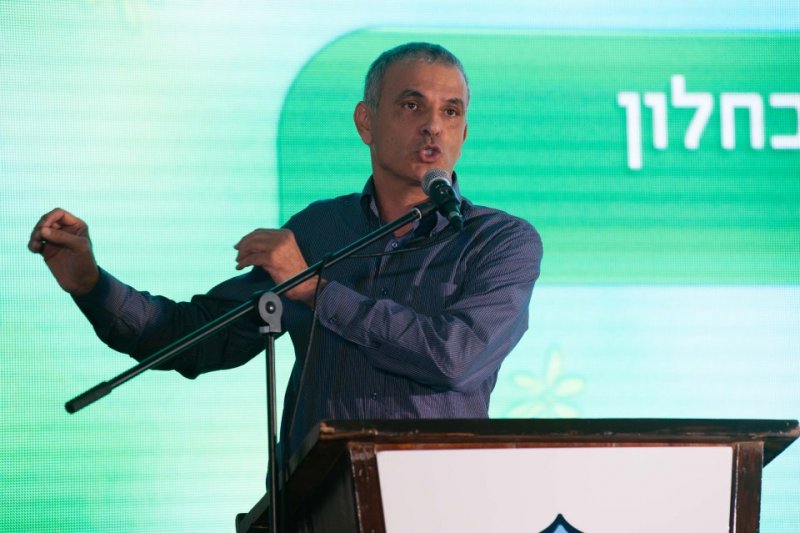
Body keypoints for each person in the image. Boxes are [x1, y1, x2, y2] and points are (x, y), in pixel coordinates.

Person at [28, 42, 543, 463]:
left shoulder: (499, 241)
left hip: (438, 497)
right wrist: (91, 284)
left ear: (463, 132)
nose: (433, 125)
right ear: (366, 122)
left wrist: (318, 292)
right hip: (316, 501)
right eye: (412, 105)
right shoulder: (320, 230)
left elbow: (454, 358)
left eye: (450, 111)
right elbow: (198, 338)